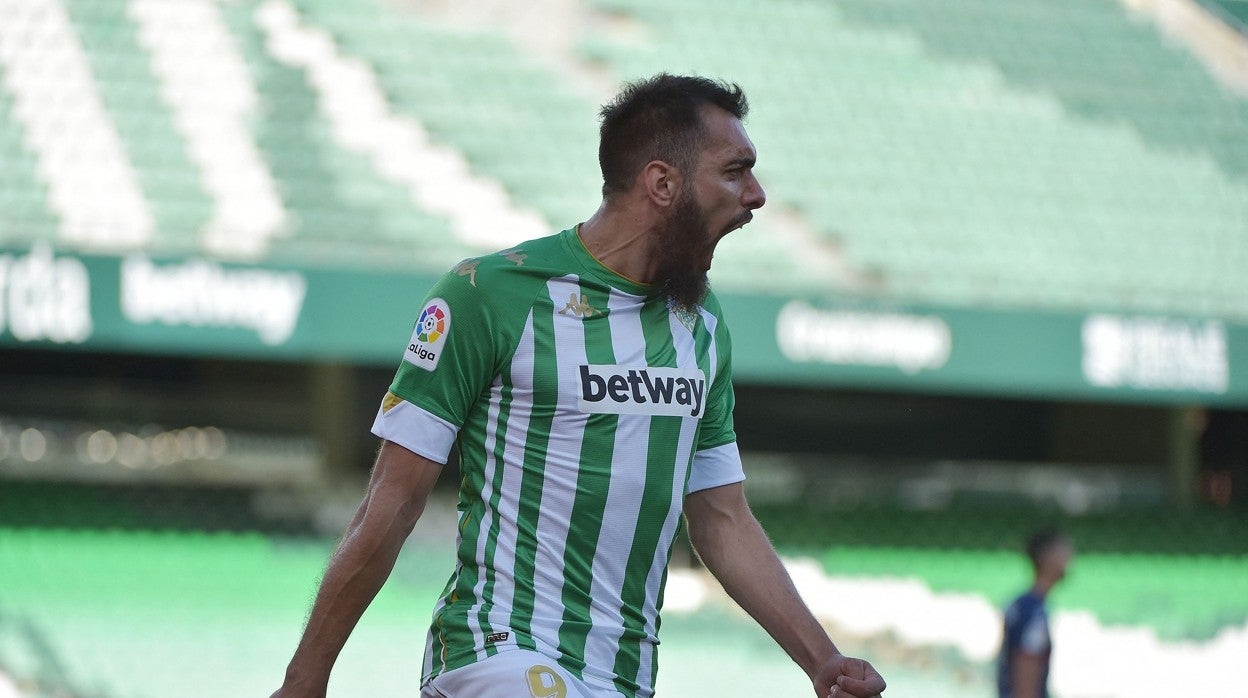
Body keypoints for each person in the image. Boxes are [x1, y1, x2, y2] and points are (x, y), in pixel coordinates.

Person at [272, 74, 886, 698]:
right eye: (735, 171)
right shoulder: (491, 295)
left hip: (622, 677)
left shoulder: (701, 327)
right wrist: (306, 679)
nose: (755, 195)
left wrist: (822, 661)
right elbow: (392, 503)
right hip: (497, 649)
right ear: (663, 184)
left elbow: (722, 520)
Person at [997, 530, 1074, 698]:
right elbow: (1026, 672)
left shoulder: (1025, 605)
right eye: (1063, 552)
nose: (1069, 559)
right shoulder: (1032, 611)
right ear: (1047, 557)